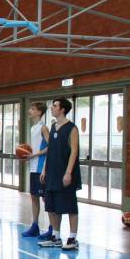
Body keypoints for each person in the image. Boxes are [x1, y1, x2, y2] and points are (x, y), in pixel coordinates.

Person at [37, 98, 81, 251]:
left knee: (70, 207)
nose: (52, 108)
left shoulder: (72, 128)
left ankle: (73, 238)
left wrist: (68, 173)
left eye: (54, 106)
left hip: (65, 174)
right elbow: (51, 150)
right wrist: (44, 169)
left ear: (62, 109)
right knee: (51, 206)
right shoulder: (53, 127)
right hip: (52, 173)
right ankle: (55, 236)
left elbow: (74, 151)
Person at [20, 102, 53, 240]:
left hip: (41, 168)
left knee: (46, 198)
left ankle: (52, 228)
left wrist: (36, 155)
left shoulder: (43, 128)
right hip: (33, 167)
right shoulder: (33, 127)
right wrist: (27, 156)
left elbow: (51, 147)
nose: (29, 111)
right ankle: (35, 226)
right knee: (34, 197)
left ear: (39, 112)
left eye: (32, 109)